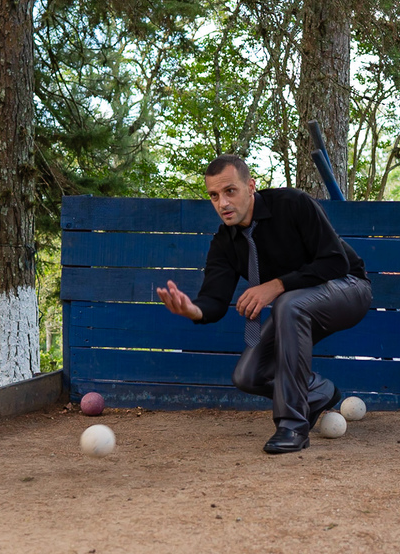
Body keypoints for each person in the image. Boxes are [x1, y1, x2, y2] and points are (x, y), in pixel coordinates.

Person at [156, 155, 371, 454]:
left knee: (288, 303)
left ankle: (293, 426)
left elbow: (335, 261)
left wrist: (276, 285)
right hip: (297, 306)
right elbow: (215, 299)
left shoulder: (292, 204)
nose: (222, 203)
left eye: (230, 191)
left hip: (349, 288)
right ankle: (317, 391)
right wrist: (193, 310)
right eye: (214, 196)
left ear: (250, 186)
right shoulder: (225, 242)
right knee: (249, 375)